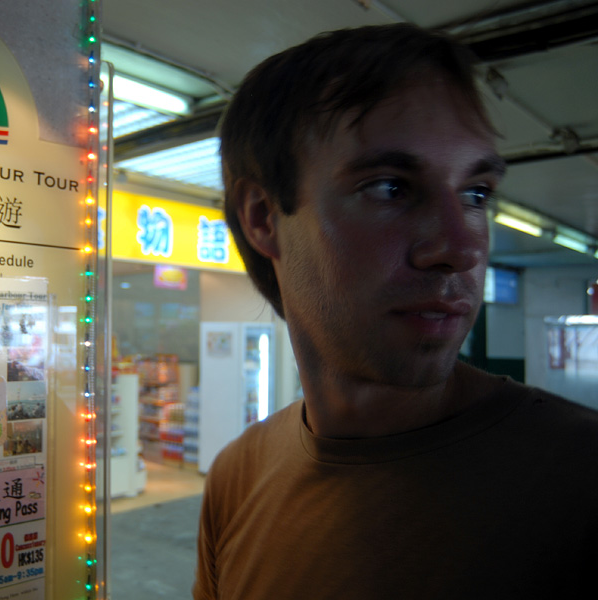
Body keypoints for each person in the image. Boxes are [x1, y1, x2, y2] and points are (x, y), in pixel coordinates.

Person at [194, 23, 598, 599]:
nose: (461, 247)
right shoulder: (237, 480)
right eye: (389, 188)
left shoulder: (578, 483)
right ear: (262, 217)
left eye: (476, 194)